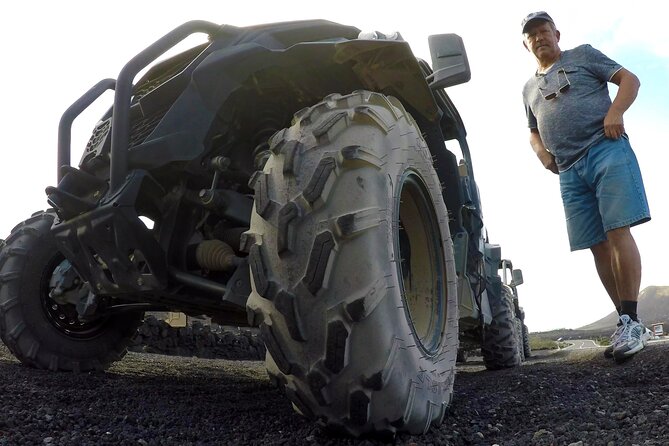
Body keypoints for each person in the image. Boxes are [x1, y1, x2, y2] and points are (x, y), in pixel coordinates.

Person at [520, 11, 651, 362]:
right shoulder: (528, 88)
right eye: (532, 35)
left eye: (544, 31)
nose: (539, 38)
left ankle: (634, 320)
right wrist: (542, 154)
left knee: (617, 230)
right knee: (596, 246)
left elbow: (630, 80)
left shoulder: (583, 55)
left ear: (556, 34)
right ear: (525, 44)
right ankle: (625, 320)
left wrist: (615, 113)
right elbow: (532, 130)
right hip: (568, 170)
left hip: (604, 149)